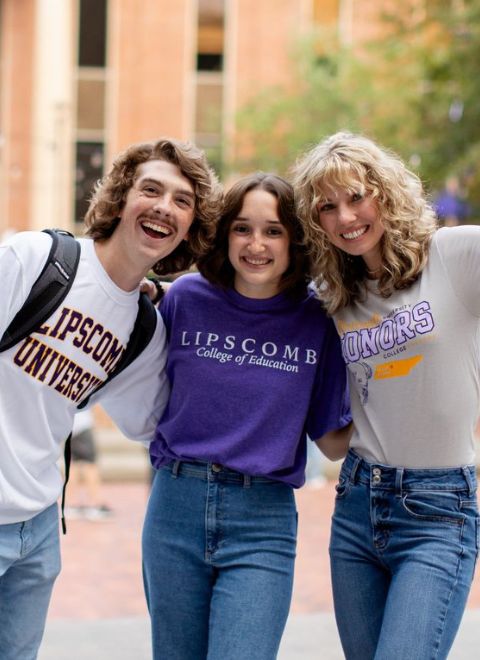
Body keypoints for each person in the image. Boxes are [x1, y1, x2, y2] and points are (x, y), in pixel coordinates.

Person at [0, 137, 220, 660]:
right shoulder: (34, 260)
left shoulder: (145, 330)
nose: (165, 206)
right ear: (122, 198)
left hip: (38, 530)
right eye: (151, 189)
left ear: (189, 227)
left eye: (183, 201)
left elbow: (157, 424)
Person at [142, 172, 352, 660]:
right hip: (175, 508)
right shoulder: (184, 299)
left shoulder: (319, 320)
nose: (256, 244)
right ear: (224, 234)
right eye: (242, 228)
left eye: (273, 230)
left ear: (294, 239)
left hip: (263, 520)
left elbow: (332, 440)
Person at [292, 131, 480, 660]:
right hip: (357, 502)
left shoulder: (454, 255)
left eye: (356, 196)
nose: (346, 217)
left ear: (387, 193)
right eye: (327, 207)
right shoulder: (334, 296)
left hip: (439, 511)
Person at [66, 409, 113, 520]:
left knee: (75, 465)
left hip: (72, 426)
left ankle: (71, 505)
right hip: (82, 425)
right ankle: (95, 505)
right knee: (90, 465)